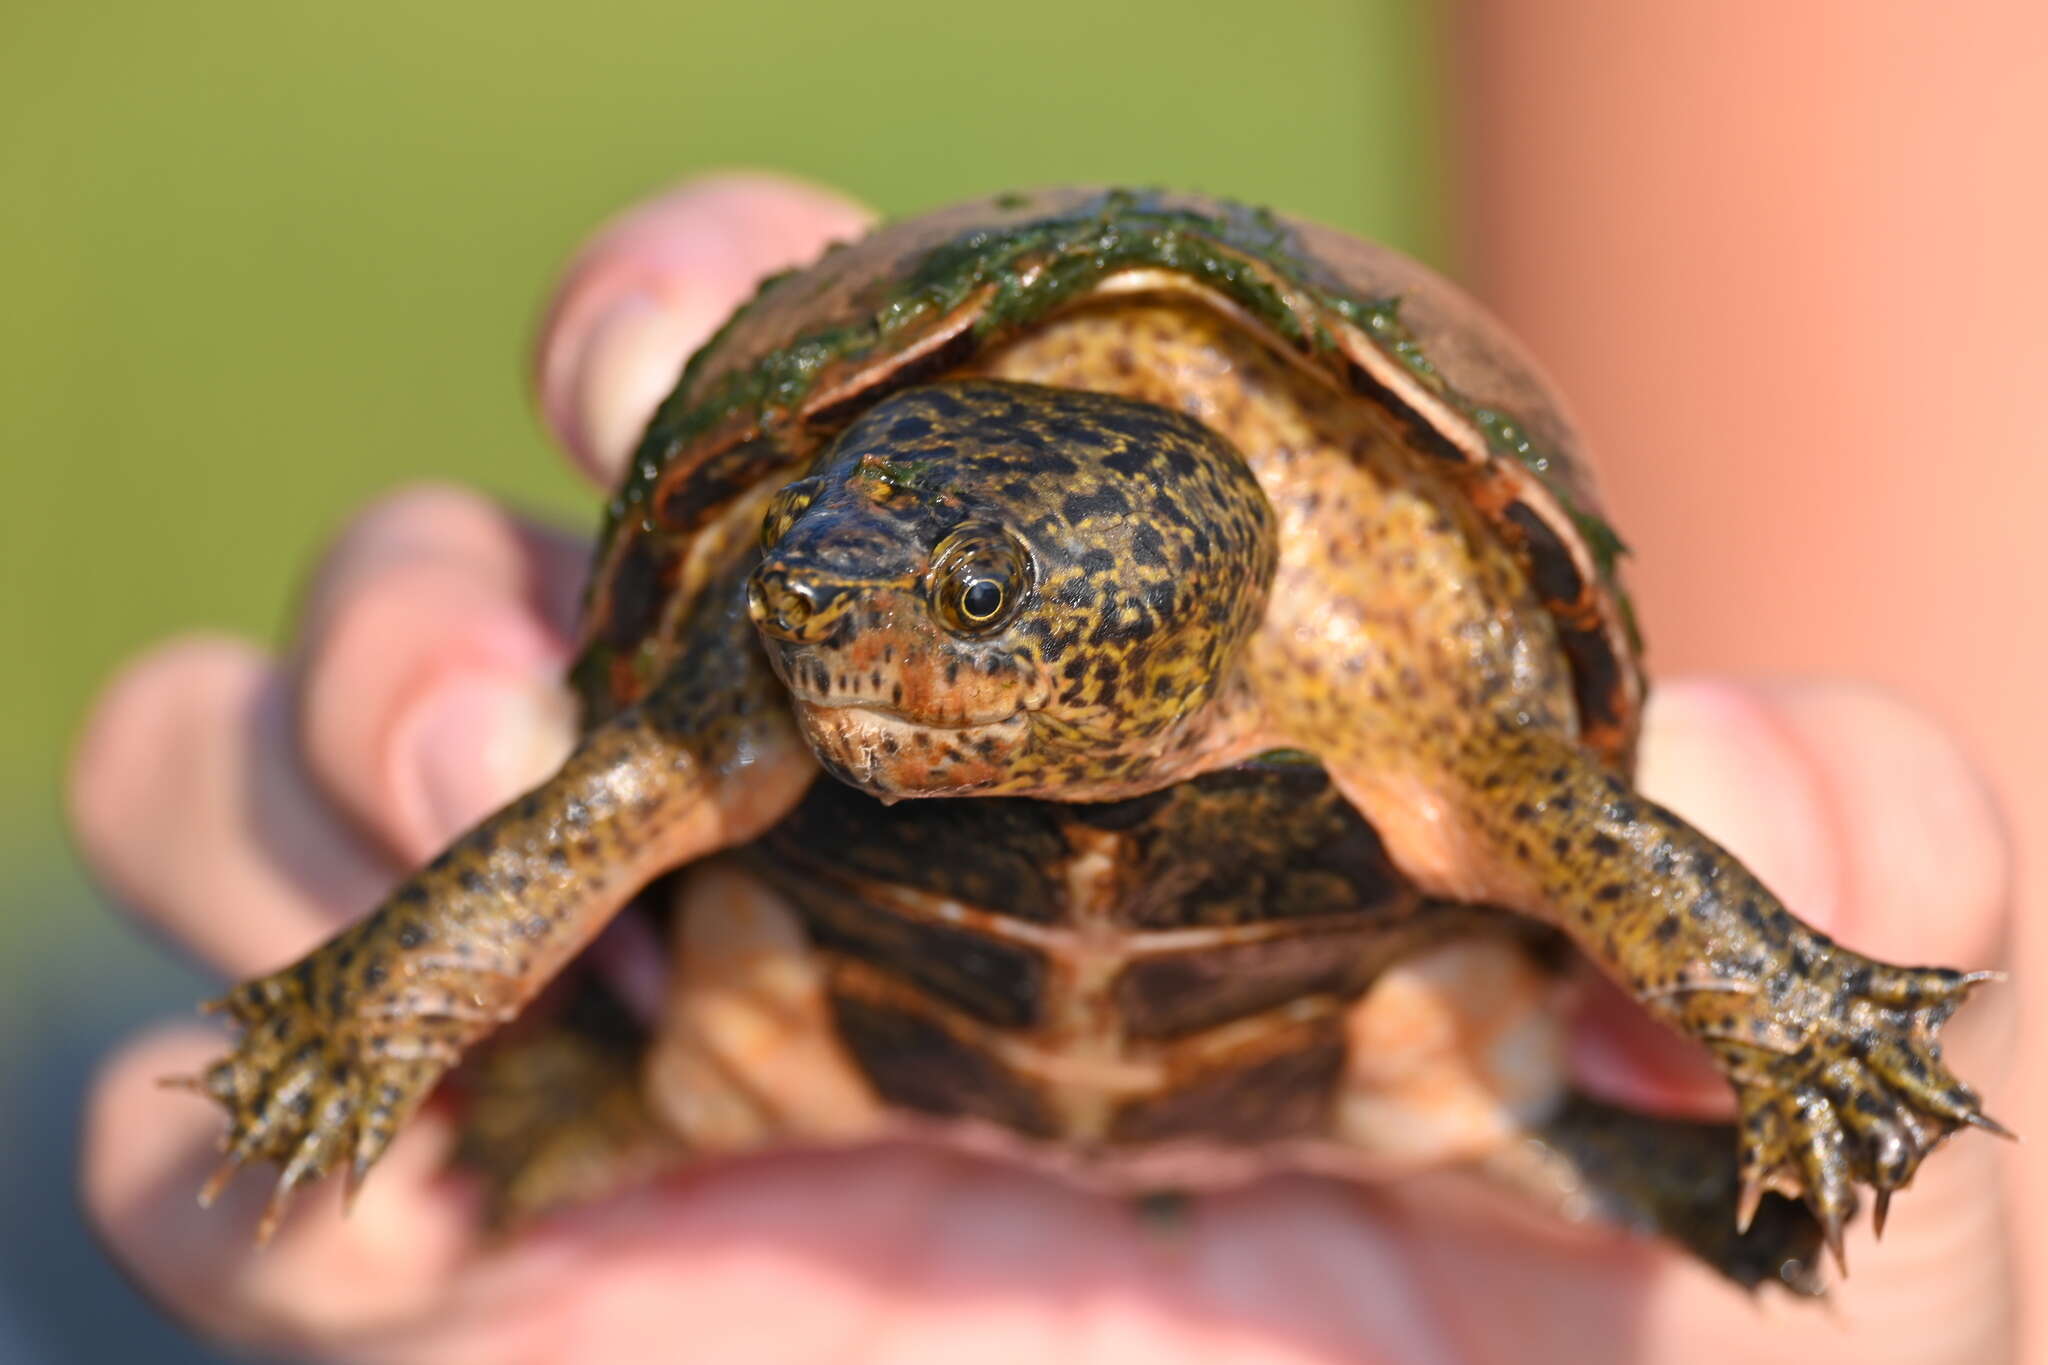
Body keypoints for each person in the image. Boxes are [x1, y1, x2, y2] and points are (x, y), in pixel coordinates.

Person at [68, 174, 2018, 1363]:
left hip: (1426, 1094)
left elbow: (1589, 828)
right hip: (780, 1038)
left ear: (1169, 592)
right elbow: (599, 805)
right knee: (481, 1085)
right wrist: (353, 1026)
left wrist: (1799, 1028)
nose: (847, 639)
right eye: (834, 574)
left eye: (970, 603)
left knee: (1742, 1202)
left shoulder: (1403, 619)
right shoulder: (821, 621)